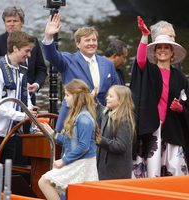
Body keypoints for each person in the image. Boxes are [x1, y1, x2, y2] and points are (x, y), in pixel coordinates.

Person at [130, 16, 189, 178]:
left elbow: (187, 105)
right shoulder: (150, 71)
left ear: (172, 53)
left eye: (166, 48)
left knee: (176, 172)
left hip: (173, 131)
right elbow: (141, 60)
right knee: (152, 173)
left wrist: (181, 108)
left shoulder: (181, 77)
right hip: (152, 130)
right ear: (155, 53)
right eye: (159, 48)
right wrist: (144, 35)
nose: (162, 50)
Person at [42, 13, 118, 131]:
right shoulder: (68, 61)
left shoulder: (107, 64)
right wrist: (48, 37)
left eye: (94, 40)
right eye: (87, 40)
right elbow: (51, 56)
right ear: (78, 44)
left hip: (101, 120)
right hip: (73, 118)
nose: (92, 43)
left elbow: (117, 90)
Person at [38, 79, 99, 200]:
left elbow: (84, 146)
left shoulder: (84, 119)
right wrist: (52, 133)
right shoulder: (77, 116)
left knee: (44, 182)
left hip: (82, 163)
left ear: (76, 97)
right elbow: (69, 141)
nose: (65, 98)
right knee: (68, 194)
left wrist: (63, 161)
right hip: (77, 161)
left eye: (67, 95)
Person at [0, 31, 38, 163]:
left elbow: (25, 96)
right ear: (15, 48)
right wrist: (22, 116)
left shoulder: (20, 71)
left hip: (12, 133)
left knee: (9, 173)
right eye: (27, 51)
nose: (29, 55)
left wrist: (30, 110)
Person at [0, 6, 47, 105]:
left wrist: (36, 85)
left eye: (15, 21)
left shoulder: (33, 41)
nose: (11, 24)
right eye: (8, 21)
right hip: (5, 100)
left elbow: (41, 69)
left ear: (22, 23)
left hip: (29, 98)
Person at [95, 85, 135, 180]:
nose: (107, 98)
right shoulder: (107, 113)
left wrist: (99, 139)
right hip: (105, 170)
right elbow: (98, 108)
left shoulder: (124, 120)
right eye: (108, 95)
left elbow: (120, 146)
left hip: (116, 174)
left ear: (120, 100)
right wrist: (93, 97)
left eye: (111, 96)